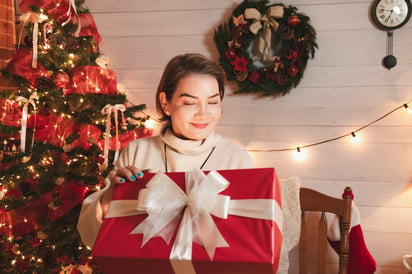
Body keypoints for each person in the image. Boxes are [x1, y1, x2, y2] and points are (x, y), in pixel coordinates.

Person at [77, 53, 253, 248]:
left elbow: (247, 238)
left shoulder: (237, 159)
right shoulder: (137, 151)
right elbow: (90, 236)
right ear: (165, 103)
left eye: (213, 102)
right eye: (190, 103)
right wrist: (110, 196)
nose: (204, 113)